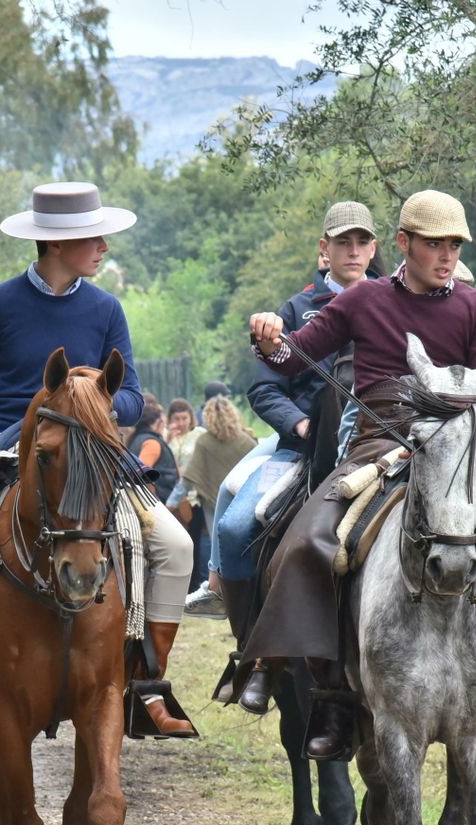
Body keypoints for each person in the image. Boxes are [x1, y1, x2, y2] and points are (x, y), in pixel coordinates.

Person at [245, 190, 476, 759]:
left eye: (453, 244)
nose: (445, 255)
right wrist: (268, 337)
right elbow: (293, 358)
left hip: (461, 448)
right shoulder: (363, 300)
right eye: (433, 244)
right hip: (377, 445)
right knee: (304, 544)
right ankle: (329, 696)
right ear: (403, 243)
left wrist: (450, 427)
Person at [0, 180, 195, 739]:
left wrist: (89, 393)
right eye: (94, 237)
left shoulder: (107, 309)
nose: (104, 246)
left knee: (175, 544)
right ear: (56, 244)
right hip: (8, 453)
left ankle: (149, 681)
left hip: (93, 459)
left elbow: (130, 394)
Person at [215, 201, 384, 705]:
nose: (353, 251)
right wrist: (303, 424)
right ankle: (253, 652)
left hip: (382, 445)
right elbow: (266, 389)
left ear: (374, 248)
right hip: (303, 446)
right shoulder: (293, 310)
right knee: (234, 525)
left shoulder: (395, 300)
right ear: (324, 249)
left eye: (362, 242)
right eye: (342, 242)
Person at [177, 394, 259, 616]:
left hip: (214, 502)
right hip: (244, 498)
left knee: (214, 541)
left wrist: (172, 501)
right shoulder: (247, 441)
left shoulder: (204, 442)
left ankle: (214, 590)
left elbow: (189, 476)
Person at [163, 397, 207, 591]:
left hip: (193, 497)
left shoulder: (199, 434)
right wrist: (168, 439)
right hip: (170, 497)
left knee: (194, 542)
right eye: (177, 418)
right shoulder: (167, 436)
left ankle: (194, 584)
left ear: (191, 417)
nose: (181, 423)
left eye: (184, 418)